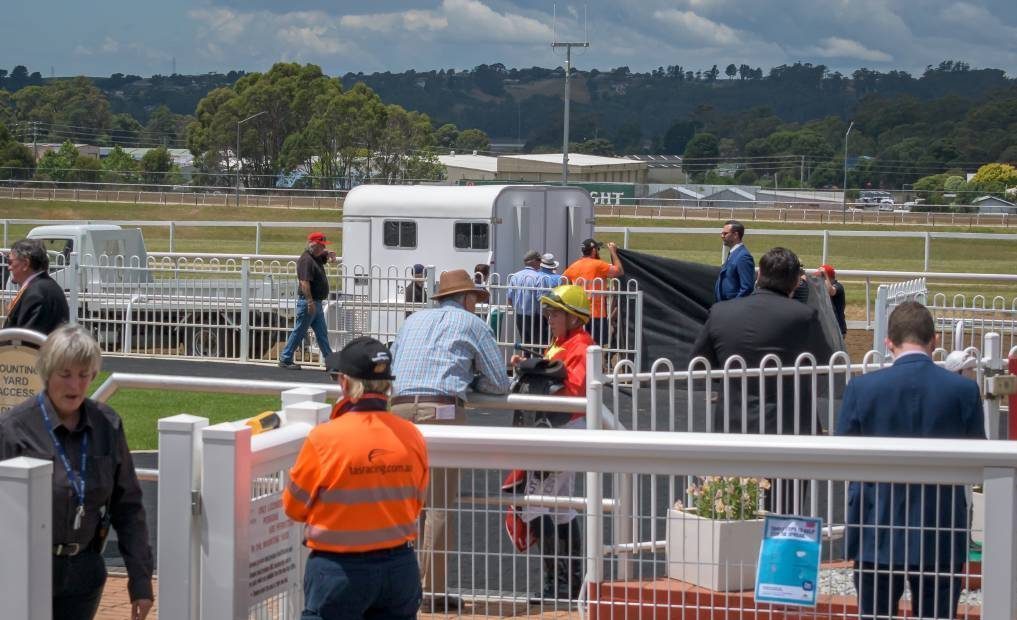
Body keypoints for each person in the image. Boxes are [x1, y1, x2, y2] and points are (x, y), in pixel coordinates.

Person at [836, 301, 984, 619]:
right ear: (934, 341)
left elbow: (842, 454)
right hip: (940, 525)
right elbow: (979, 459)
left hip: (876, 522)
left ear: (888, 342)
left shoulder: (862, 389)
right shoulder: (963, 391)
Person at [0, 325, 153, 620]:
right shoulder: (13, 429)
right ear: (47, 373)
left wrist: (141, 579)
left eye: (84, 375)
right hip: (25, 573)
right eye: (66, 374)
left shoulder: (107, 425)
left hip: (84, 573)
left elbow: (128, 506)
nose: (75, 385)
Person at [389, 268, 511, 612]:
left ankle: (399, 587)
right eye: (475, 298)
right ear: (467, 298)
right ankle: (431, 593)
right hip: (440, 411)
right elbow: (499, 382)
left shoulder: (412, 322)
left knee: (404, 504)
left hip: (397, 411)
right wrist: (471, 381)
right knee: (438, 505)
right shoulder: (473, 325)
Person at [283, 337, 428, 620]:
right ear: (386, 385)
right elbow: (416, 504)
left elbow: (293, 507)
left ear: (346, 383)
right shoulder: (412, 436)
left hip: (339, 570)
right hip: (399, 567)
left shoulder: (325, 438)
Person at [691, 247, 832, 513]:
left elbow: (699, 361)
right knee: (784, 512)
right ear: (794, 282)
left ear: (758, 276)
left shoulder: (721, 312)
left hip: (733, 428)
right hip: (789, 432)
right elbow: (824, 362)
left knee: (733, 509)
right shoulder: (803, 317)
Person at [508, 284, 592, 603]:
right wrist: (532, 365)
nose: (548, 318)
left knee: (534, 504)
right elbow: (553, 376)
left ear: (573, 318)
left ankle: (558, 583)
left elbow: (573, 389)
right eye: (548, 312)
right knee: (560, 508)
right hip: (557, 431)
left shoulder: (581, 345)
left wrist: (536, 373)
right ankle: (568, 584)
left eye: (554, 312)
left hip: (564, 431)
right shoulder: (561, 342)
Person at [279, 232, 337, 369]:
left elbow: (324, 256)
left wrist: (328, 254)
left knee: (321, 334)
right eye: (321, 246)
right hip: (309, 303)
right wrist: (310, 302)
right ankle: (285, 358)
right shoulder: (306, 260)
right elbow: (304, 283)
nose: (323, 248)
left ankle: (331, 363)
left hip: (315, 303)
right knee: (300, 331)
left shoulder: (315, 257)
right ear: (314, 245)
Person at [562, 238, 624, 346]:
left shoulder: (573, 266)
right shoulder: (599, 265)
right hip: (597, 313)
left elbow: (563, 282)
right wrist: (613, 252)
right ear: (594, 251)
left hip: (579, 314)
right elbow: (619, 271)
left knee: (581, 345)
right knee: (596, 347)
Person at [3, 238, 70, 334]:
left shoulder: (36, 294)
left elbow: (28, 341)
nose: (8, 267)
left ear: (25, 264)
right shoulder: (44, 286)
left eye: (10, 262)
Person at [507, 250, 549, 346]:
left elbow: (510, 299)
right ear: (534, 261)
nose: (541, 263)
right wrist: (548, 317)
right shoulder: (539, 277)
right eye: (539, 260)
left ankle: (526, 360)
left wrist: (517, 308)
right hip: (536, 317)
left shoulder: (515, 276)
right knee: (538, 346)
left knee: (525, 344)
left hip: (519, 316)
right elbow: (542, 300)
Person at [714, 220, 754, 302]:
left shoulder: (743, 257)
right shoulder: (733, 253)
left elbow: (747, 288)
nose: (722, 236)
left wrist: (733, 305)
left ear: (735, 235)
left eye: (725, 233)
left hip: (731, 308)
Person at [816, 264, 847, 336]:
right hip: (828, 328)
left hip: (837, 329)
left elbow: (830, 292)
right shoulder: (823, 287)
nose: (817, 278)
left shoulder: (838, 286)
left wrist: (825, 276)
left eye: (820, 277)